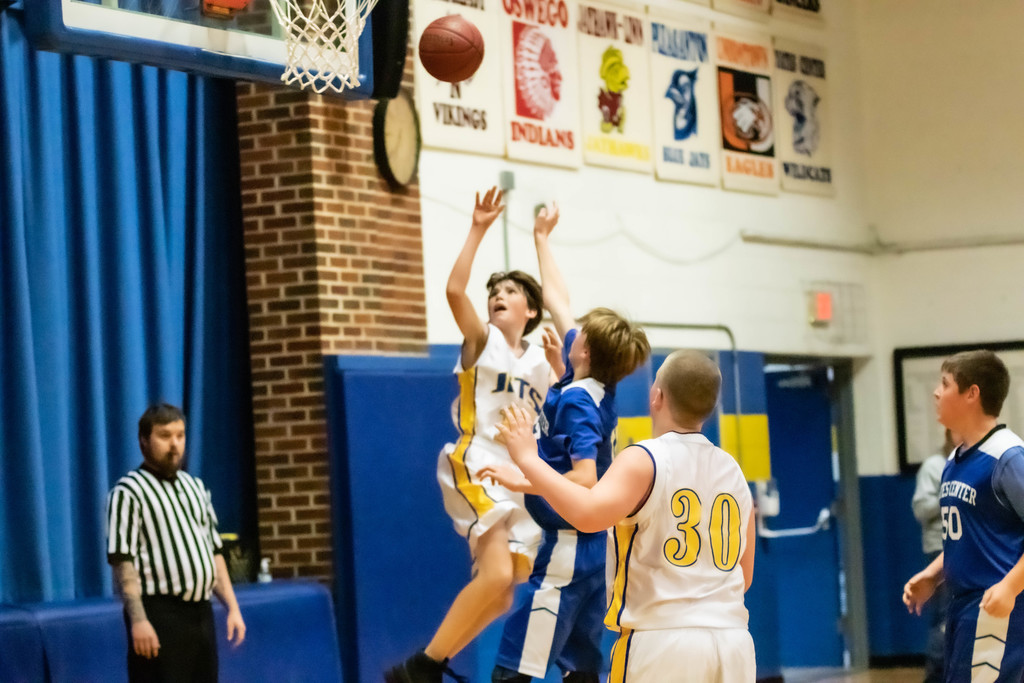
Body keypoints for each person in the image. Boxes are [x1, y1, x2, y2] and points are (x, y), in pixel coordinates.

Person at [494, 350, 756, 683]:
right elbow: (743, 577)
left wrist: (528, 460)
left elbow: (588, 515)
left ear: (656, 396)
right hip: (734, 643)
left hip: (662, 642)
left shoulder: (645, 458)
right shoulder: (733, 471)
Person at [386, 187, 553, 683]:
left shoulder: (543, 363)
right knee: (500, 575)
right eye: (494, 294)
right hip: (475, 457)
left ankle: (430, 665)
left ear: (531, 310)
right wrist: (478, 227)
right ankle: (423, 665)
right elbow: (455, 292)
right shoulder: (482, 340)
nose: (497, 298)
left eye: (509, 293)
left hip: (519, 476)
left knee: (504, 589)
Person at [479, 203, 651, 683]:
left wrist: (524, 468)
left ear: (586, 349)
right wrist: (541, 238)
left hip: (569, 551)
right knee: (582, 670)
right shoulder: (596, 383)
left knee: (511, 670)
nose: (569, 328)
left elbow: (584, 479)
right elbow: (558, 297)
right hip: (596, 550)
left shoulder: (577, 398)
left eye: (579, 333)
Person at [903, 350, 1024, 681]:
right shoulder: (955, 459)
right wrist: (933, 573)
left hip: (997, 610)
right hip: (962, 608)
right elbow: (969, 539)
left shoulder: (1007, 456)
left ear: (972, 394)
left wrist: (1010, 587)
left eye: (945, 384)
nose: (936, 392)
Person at [105, 403, 245, 682]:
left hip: (200, 614)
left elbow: (213, 552)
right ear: (144, 441)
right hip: (160, 613)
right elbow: (123, 563)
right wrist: (139, 620)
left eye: (180, 436)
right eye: (165, 436)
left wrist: (232, 606)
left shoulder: (195, 487)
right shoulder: (128, 491)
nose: (175, 444)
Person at [911, 429, 958, 683]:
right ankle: (935, 676)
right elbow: (920, 508)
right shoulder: (934, 466)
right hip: (939, 548)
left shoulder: (979, 460)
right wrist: (952, 496)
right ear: (949, 435)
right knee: (943, 616)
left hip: (965, 549)